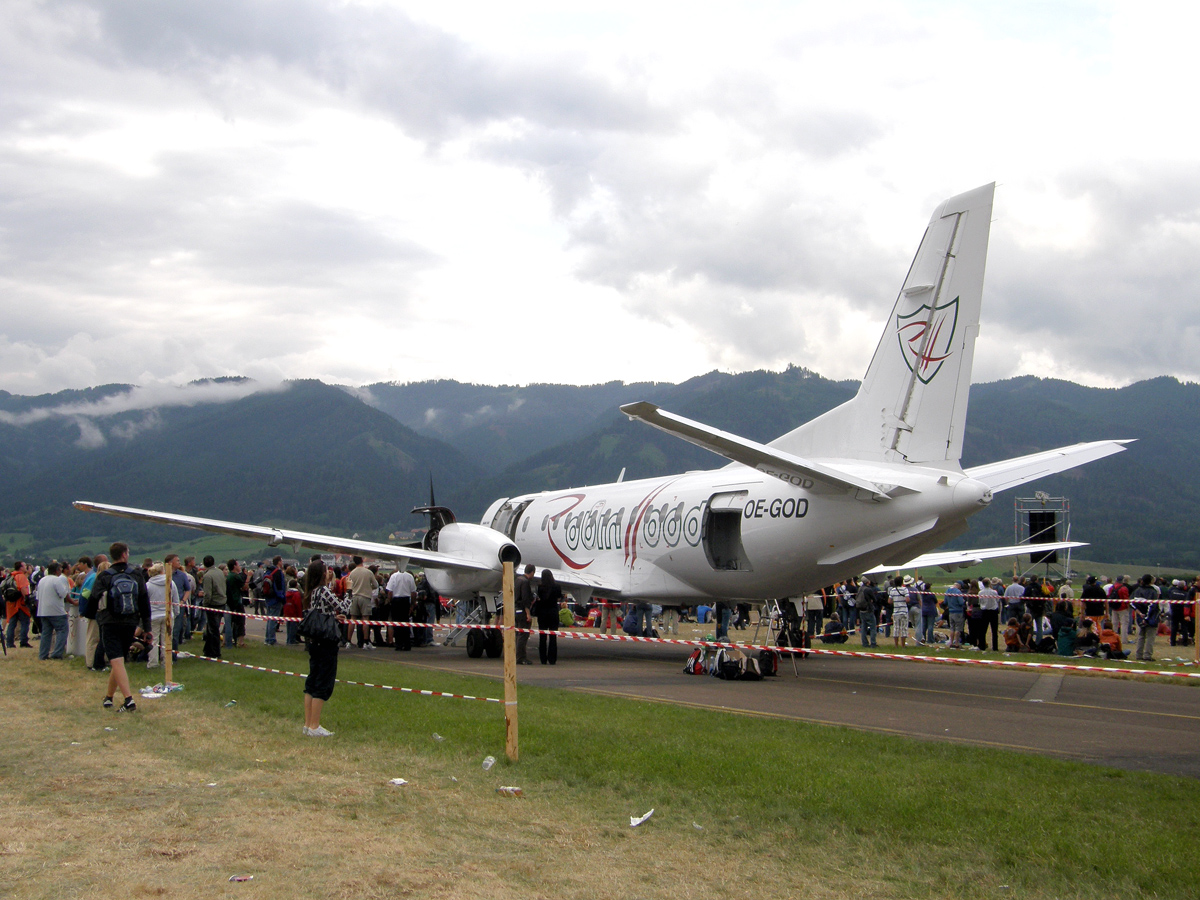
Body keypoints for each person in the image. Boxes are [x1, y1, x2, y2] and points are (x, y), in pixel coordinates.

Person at [91, 542, 151, 712]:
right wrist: (147, 627)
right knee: (119, 660)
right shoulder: (136, 574)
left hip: (109, 621)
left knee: (116, 660)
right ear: (124, 554)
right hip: (130, 621)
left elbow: (94, 598)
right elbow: (144, 601)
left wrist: (94, 615)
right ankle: (109, 697)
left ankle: (129, 700)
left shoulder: (105, 576)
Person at [301, 559, 349, 737]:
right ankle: (315, 726)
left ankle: (308, 724)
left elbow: (320, 614)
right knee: (323, 682)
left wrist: (332, 618)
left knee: (312, 682)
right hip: (326, 642)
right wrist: (349, 590)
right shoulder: (324, 591)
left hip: (315, 641)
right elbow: (344, 607)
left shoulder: (312, 591)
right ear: (322, 574)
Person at [35, 561, 72, 660]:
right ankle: (57, 653)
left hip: (43, 610)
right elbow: (62, 594)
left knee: (46, 633)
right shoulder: (57, 580)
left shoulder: (42, 580)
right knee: (62, 630)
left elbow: (37, 596)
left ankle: (43, 654)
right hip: (56, 610)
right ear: (57, 571)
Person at [145, 563, 178, 668]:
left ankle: (153, 662)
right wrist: (176, 612)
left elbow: (145, 602)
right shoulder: (170, 582)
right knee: (167, 640)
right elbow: (175, 599)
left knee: (153, 640)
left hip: (153, 615)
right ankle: (166, 662)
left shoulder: (148, 585)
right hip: (168, 614)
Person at [344, 556, 377, 649]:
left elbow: (349, 585)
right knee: (365, 619)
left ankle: (348, 641)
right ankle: (366, 642)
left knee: (352, 618)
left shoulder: (352, 573)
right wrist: (369, 588)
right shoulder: (368, 572)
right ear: (362, 561)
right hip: (365, 596)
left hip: (355, 596)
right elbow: (375, 585)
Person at [200, 555, 227, 658]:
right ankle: (207, 650)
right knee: (213, 628)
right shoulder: (220, 572)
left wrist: (205, 605)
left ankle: (215, 652)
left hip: (213, 604)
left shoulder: (207, 576)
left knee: (213, 629)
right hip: (222, 602)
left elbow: (208, 594)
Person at [534, 568, 562, 665]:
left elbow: (539, 597)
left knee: (542, 636)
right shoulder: (557, 586)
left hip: (542, 613)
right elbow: (559, 596)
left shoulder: (540, 587)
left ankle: (543, 659)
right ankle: (552, 658)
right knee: (553, 636)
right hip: (553, 612)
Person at [386, 565, 417, 651]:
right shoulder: (409, 576)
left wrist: (389, 601)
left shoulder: (394, 576)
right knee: (405, 622)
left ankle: (399, 644)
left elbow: (390, 591)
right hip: (405, 600)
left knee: (397, 623)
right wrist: (412, 604)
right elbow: (413, 592)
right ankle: (407, 644)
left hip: (396, 600)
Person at [3, 561, 33, 648]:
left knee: (12, 624)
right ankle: (23, 641)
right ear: (20, 567)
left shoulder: (11, 575)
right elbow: (23, 588)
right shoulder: (21, 576)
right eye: (24, 566)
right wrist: (27, 599)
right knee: (25, 622)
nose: (26, 567)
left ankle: (9, 643)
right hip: (20, 603)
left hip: (11, 603)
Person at [1131, 574, 1160, 661]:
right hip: (1150, 616)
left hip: (1140, 615)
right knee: (1150, 637)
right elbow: (1152, 606)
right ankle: (1147, 655)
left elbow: (1131, 602)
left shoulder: (1137, 590)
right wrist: (1146, 618)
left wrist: (1138, 612)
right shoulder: (1153, 591)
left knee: (1141, 636)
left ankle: (1138, 654)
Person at [262, 556, 287, 646]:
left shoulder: (268, 572)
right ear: (279, 562)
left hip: (268, 597)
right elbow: (280, 587)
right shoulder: (278, 572)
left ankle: (267, 638)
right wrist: (282, 598)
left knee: (269, 619)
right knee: (273, 620)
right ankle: (271, 639)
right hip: (275, 599)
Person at [513, 564, 535, 665]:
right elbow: (525, 599)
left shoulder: (518, 580)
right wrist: (528, 614)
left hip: (516, 609)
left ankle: (515, 655)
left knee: (517, 634)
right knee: (523, 634)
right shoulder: (525, 582)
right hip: (522, 610)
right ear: (532, 572)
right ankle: (521, 657)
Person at [225, 559, 247, 649]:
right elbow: (244, 587)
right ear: (234, 566)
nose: (239, 567)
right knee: (240, 621)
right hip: (236, 601)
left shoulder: (228, 576)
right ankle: (240, 642)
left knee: (229, 622)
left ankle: (225, 641)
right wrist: (248, 577)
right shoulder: (236, 576)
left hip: (229, 601)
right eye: (238, 565)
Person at [977, 577, 1001, 651]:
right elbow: (997, 600)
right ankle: (995, 647)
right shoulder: (994, 592)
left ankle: (982, 645)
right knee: (994, 631)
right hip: (993, 611)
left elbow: (980, 602)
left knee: (983, 630)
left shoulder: (980, 593)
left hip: (984, 611)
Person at [888, 576, 909, 648]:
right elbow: (907, 600)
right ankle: (903, 645)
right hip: (903, 611)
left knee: (896, 628)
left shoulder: (892, 590)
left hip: (896, 611)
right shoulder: (905, 589)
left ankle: (896, 645)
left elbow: (889, 601)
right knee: (904, 628)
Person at [856, 578, 878, 647]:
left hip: (861, 610)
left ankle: (864, 643)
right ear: (868, 582)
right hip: (868, 610)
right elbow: (875, 599)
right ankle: (873, 643)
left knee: (863, 627)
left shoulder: (860, 588)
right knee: (873, 627)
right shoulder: (868, 589)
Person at [944, 580, 967, 648]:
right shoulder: (958, 592)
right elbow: (960, 602)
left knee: (952, 628)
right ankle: (956, 643)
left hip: (951, 611)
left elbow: (945, 602)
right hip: (958, 612)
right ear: (959, 586)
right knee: (958, 628)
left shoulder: (947, 591)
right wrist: (963, 601)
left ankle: (951, 642)